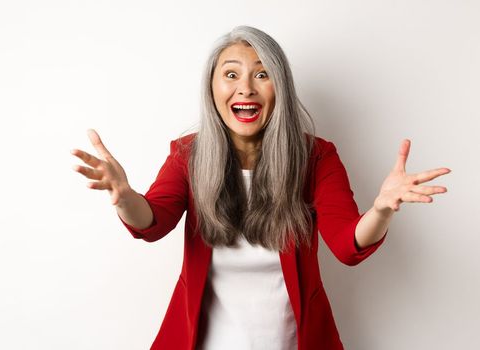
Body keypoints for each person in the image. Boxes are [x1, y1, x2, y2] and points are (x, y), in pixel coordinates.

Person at [69, 26, 451, 350]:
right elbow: (153, 221)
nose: (246, 89)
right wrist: (124, 198)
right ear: (213, 87)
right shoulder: (188, 155)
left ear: (279, 87)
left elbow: (347, 243)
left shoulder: (315, 156)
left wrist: (381, 211)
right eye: (231, 75)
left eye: (262, 74)